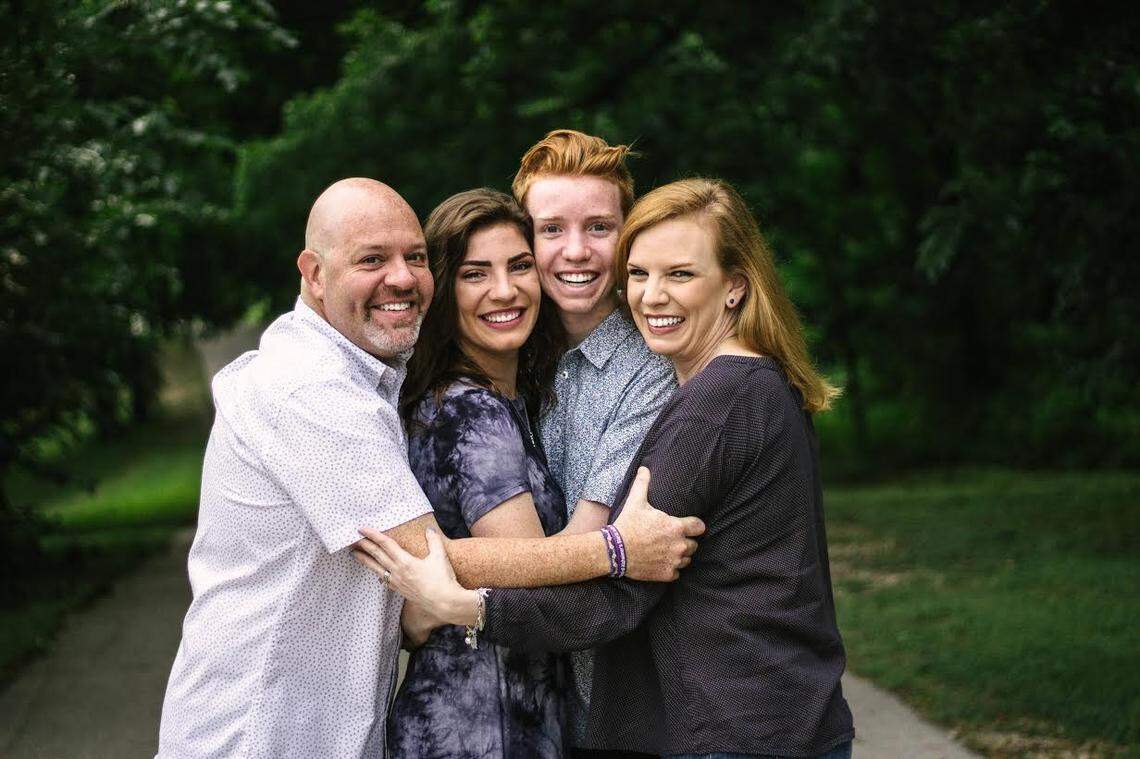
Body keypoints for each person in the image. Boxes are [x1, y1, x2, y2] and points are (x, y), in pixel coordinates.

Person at [154, 178, 704, 759]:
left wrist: (421, 613)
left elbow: (419, 583)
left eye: (413, 258)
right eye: (372, 259)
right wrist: (619, 550)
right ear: (314, 274)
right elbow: (429, 557)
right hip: (264, 731)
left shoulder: (382, 382)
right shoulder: (313, 392)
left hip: (342, 723)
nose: (399, 277)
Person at [356, 178, 856, 758]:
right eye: (640, 275)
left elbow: (620, 593)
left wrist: (458, 606)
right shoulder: (750, 385)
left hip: (745, 724)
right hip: (756, 717)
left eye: (681, 274)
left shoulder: (721, 399)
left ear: (735, 289)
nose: (651, 296)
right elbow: (618, 572)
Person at [387, 189, 571, 757]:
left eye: (520, 266)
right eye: (475, 273)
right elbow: (535, 582)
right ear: (444, 292)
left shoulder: (489, 400)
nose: (505, 290)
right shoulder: (473, 412)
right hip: (482, 725)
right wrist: (623, 550)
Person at [512, 129, 678, 756]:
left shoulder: (654, 367)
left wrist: (447, 590)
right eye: (551, 229)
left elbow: (588, 550)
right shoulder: (505, 353)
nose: (574, 251)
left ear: (629, 233)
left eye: (599, 227)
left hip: (612, 712)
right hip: (516, 705)